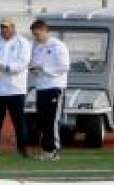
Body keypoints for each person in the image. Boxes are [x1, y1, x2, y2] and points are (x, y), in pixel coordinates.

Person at [0, 17, 31, 158]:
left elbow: (23, 63)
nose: (4, 30)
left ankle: (22, 149)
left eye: (6, 27)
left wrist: (8, 67)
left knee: (18, 120)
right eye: (2, 27)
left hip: (16, 88)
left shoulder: (23, 43)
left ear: (13, 27)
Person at [29, 19, 70, 161]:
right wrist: (34, 69)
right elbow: (34, 64)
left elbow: (64, 66)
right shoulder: (37, 47)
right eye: (34, 35)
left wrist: (45, 69)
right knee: (42, 120)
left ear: (46, 31)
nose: (36, 37)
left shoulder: (58, 46)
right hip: (41, 87)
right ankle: (46, 149)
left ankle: (53, 150)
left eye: (38, 34)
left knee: (51, 120)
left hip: (55, 87)